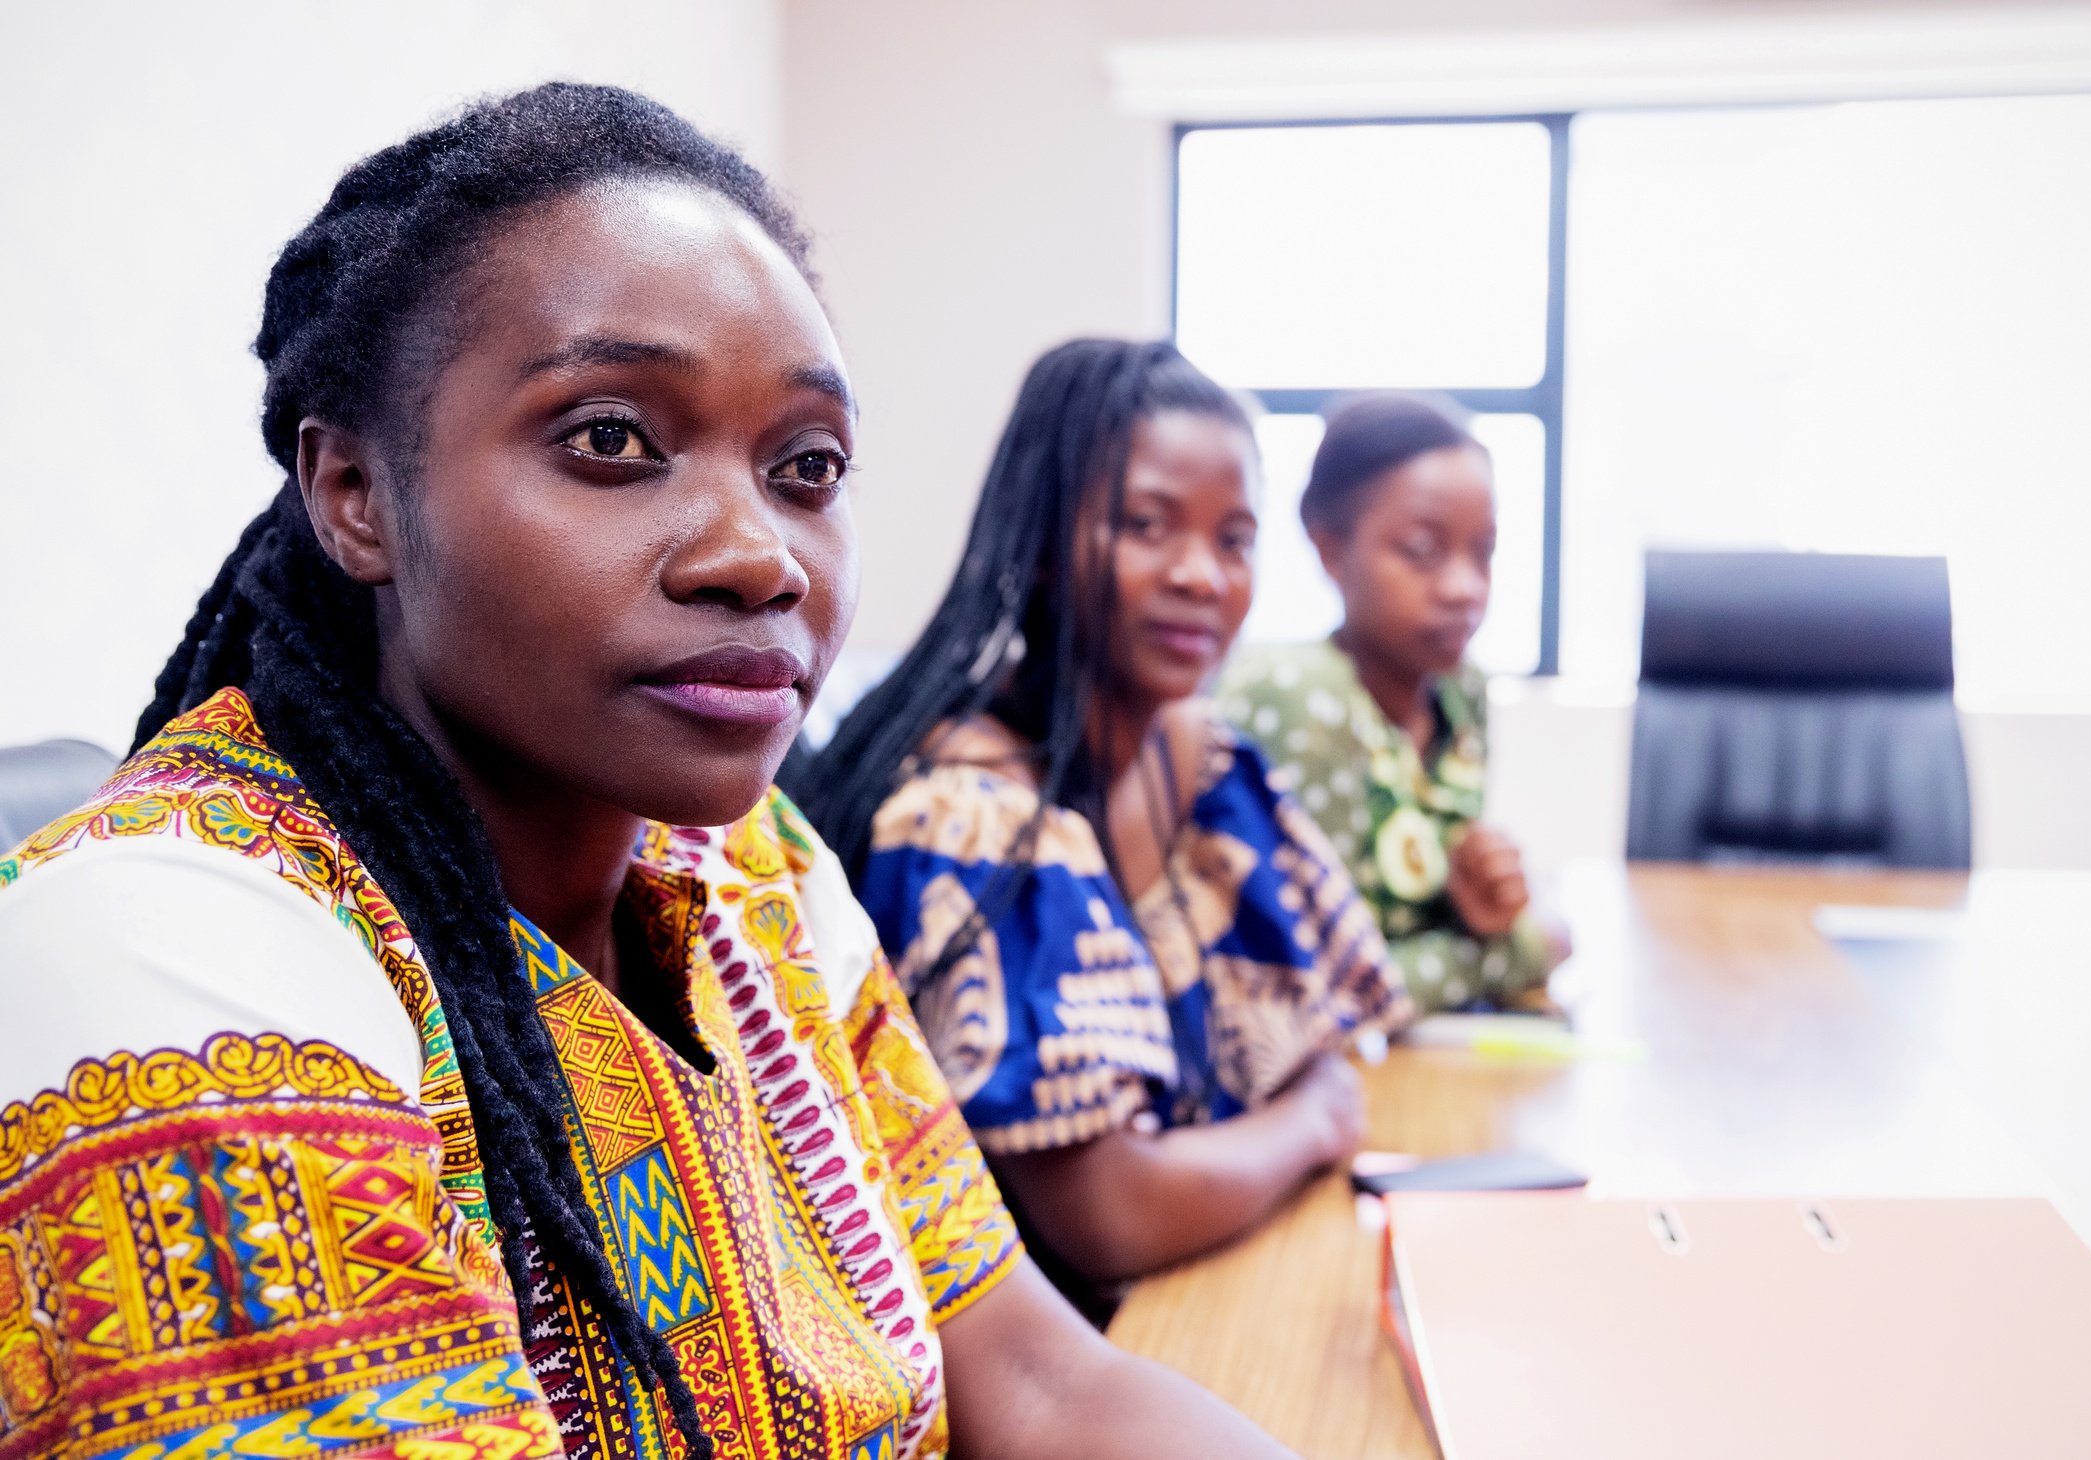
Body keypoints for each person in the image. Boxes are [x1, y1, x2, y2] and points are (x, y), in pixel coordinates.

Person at [0, 85, 1291, 1460]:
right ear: (354, 494)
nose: (761, 554)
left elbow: (1037, 1381)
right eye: (611, 439)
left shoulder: (755, 867)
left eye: (806, 465)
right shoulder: (175, 946)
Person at [787, 341, 1408, 1315]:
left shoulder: (1208, 767)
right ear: (1041, 545)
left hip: (1218, 1282)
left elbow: (1332, 1024)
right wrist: (1309, 1124)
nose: (1199, 574)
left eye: (1233, 539)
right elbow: (1108, 1211)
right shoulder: (972, 814)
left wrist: (1304, 1105)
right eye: (1145, 525)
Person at [1218, 394, 1567, 1016]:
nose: (1465, 588)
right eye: (1422, 551)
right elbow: (1321, 989)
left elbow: (1422, 931)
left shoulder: (1461, 691)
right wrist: (1517, 949)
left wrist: (1480, 905)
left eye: (1483, 551)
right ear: (1329, 548)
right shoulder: (1303, 698)